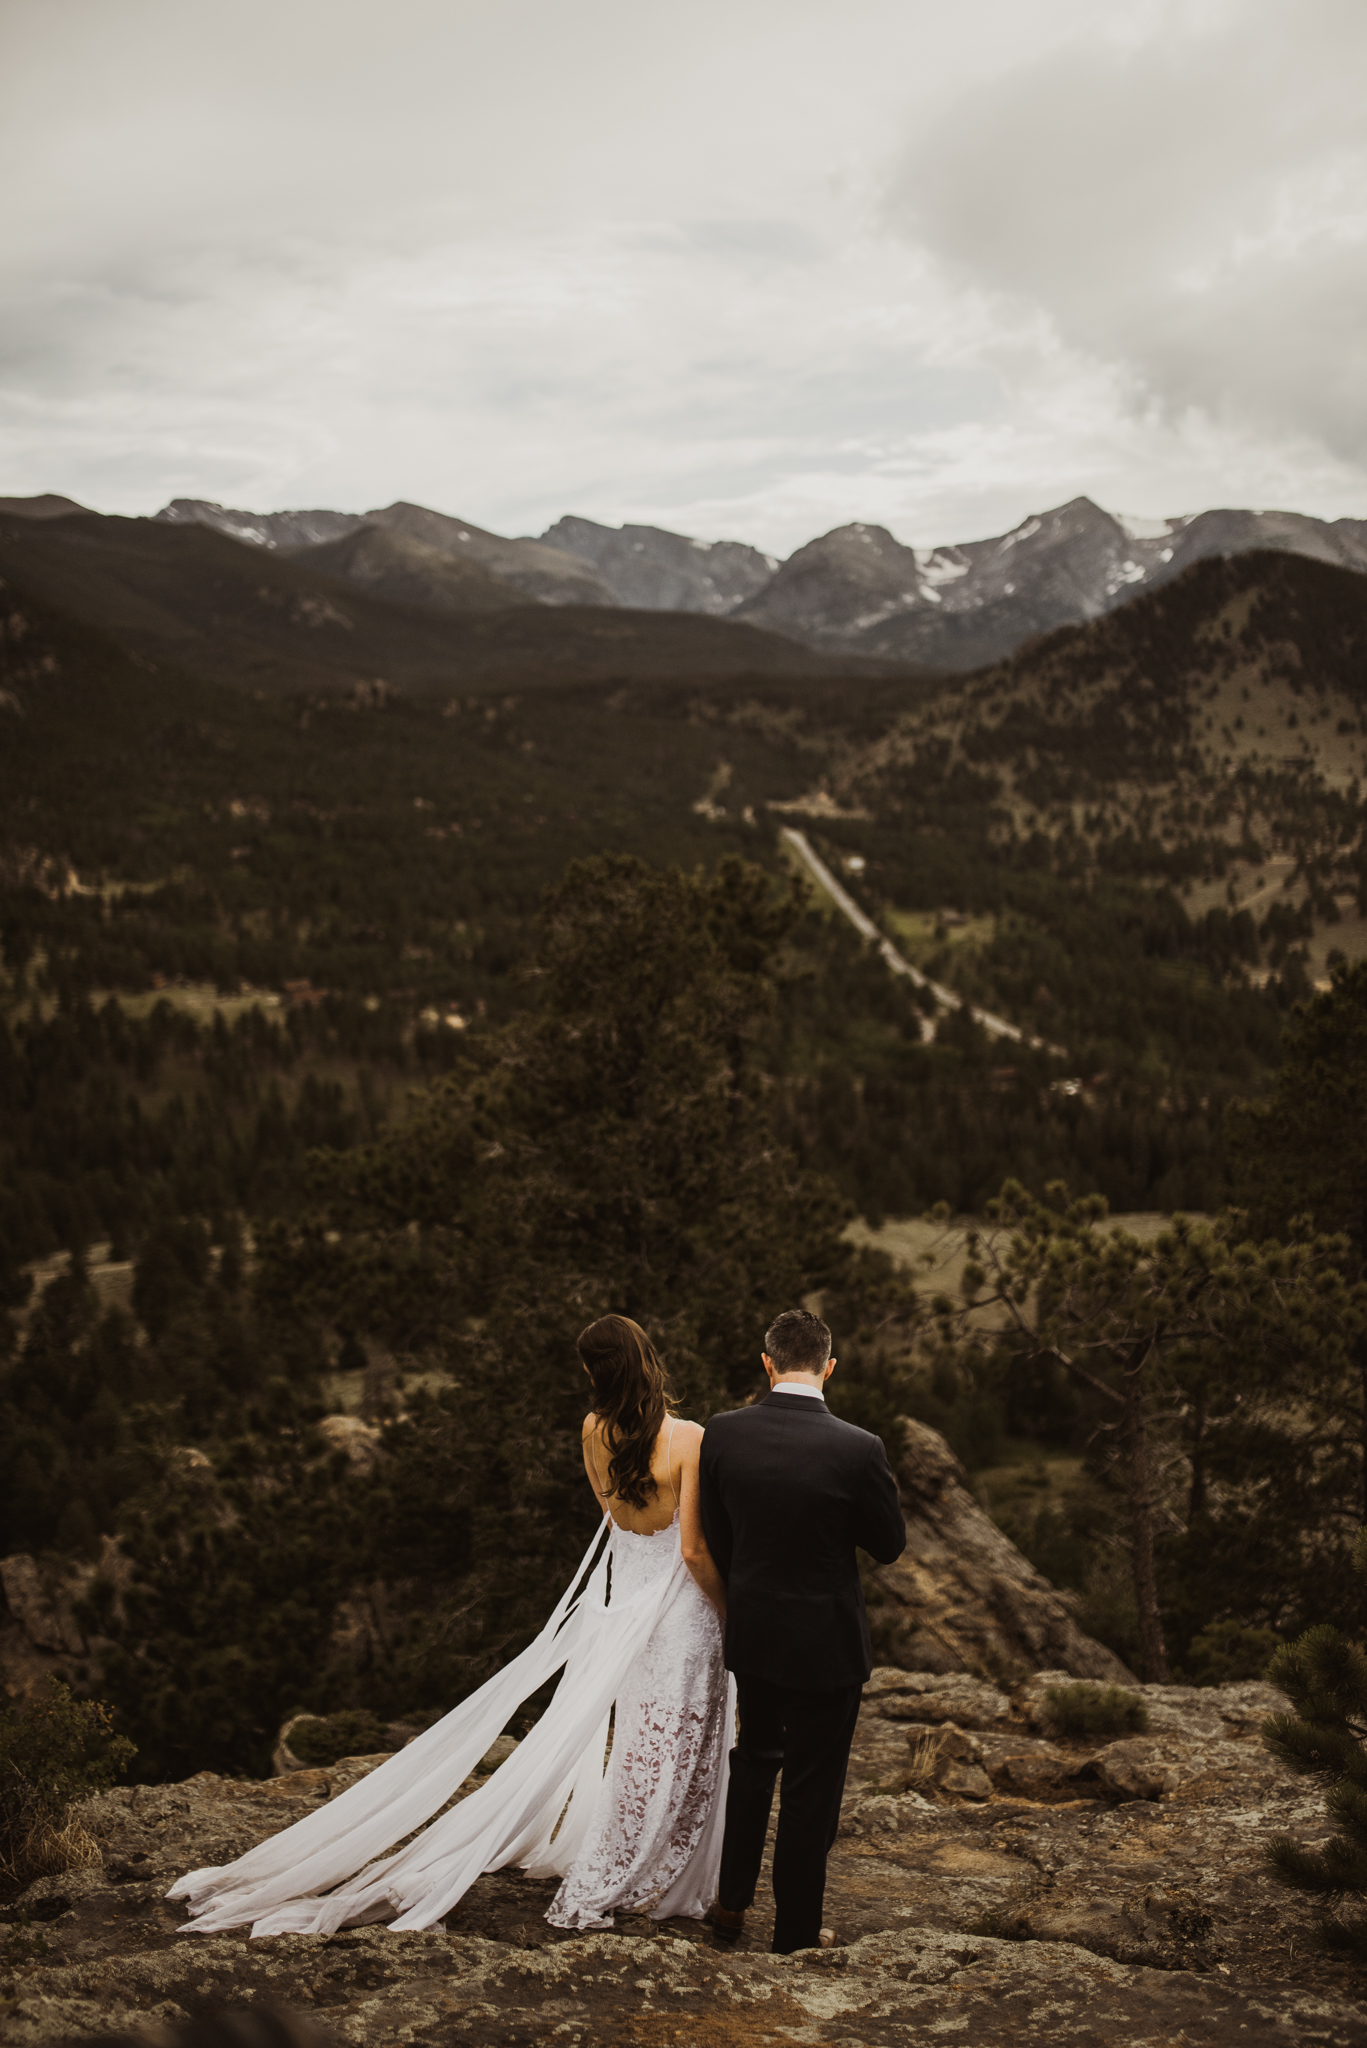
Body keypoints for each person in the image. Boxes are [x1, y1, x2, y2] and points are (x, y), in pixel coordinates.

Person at [168, 1316, 734, 1938]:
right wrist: (731, 1610)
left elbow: (612, 1516)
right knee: (684, 1739)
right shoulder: (689, 1440)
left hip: (623, 1605)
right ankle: (657, 1872)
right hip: (680, 1611)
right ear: (648, 1362)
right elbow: (692, 1551)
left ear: (596, 1374)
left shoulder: (593, 1430)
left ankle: (630, 1858)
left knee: (637, 1740)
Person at [698, 1307, 907, 1955]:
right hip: (827, 1647)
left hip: (754, 1634)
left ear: (767, 1363)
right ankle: (792, 1935)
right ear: (829, 1368)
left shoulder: (722, 1434)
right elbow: (889, 1545)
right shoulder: (858, 1448)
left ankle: (729, 1907)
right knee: (811, 1789)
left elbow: (716, 1534)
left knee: (754, 1763)